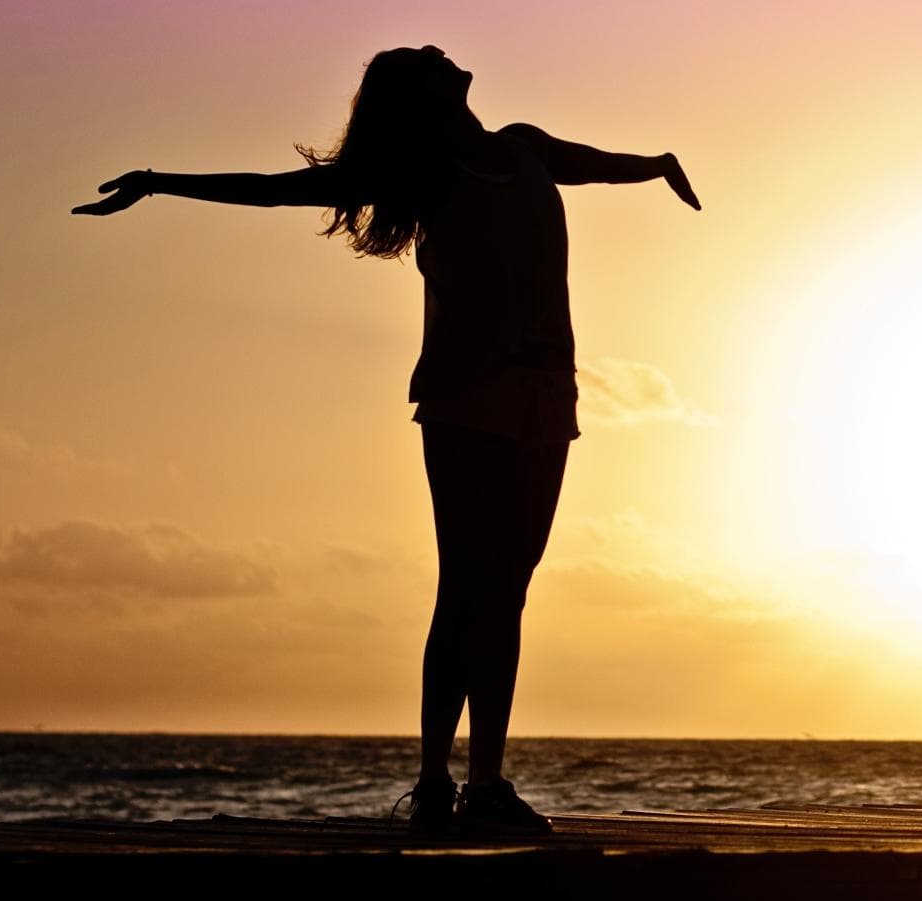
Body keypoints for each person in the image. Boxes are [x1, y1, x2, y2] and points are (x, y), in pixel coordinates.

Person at [73, 45, 701, 835]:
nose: (442, 51)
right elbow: (279, 192)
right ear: (419, 99)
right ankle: (456, 784)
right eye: (423, 60)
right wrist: (161, 182)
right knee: (474, 590)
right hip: (467, 397)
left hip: (550, 398)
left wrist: (657, 163)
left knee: (501, 591)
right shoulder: (425, 173)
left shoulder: (523, 147)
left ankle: (469, 785)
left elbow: (599, 165)